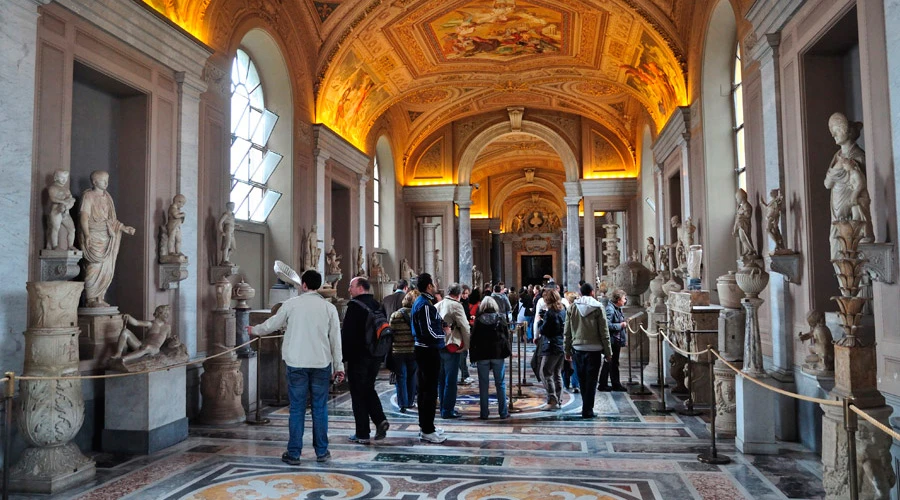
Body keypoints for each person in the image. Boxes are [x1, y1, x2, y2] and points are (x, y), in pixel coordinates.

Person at [248, 270, 344, 464]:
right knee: (319, 408)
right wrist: (338, 366)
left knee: (297, 409)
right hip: (321, 363)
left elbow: (271, 325)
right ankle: (322, 452)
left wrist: (254, 330)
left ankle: (294, 453)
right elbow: (335, 340)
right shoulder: (329, 308)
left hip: (296, 364)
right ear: (318, 286)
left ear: (304, 285)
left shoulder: (291, 305)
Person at [342, 277, 390, 445]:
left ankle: (362, 433)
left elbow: (347, 335)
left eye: (351, 286)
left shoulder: (354, 307)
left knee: (357, 393)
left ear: (360, 288)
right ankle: (380, 419)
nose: (349, 289)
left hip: (359, 356)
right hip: (376, 356)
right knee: (368, 388)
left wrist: (343, 359)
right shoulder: (377, 304)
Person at [79, 170, 136, 307]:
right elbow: (84, 217)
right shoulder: (88, 196)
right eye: (103, 180)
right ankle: (90, 299)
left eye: (107, 180)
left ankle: (100, 297)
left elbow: (111, 220)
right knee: (93, 267)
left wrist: (124, 228)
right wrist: (86, 234)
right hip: (94, 235)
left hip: (107, 236)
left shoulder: (108, 197)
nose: (106, 183)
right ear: (94, 182)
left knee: (106, 267)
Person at [410, 272, 450, 443]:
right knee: (429, 392)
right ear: (428, 286)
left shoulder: (425, 303)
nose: (435, 287)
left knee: (427, 391)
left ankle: (428, 426)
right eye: (433, 284)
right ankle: (427, 429)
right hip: (427, 351)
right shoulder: (424, 305)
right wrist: (444, 334)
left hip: (425, 350)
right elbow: (429, 332)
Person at [565, 283, 613, 418]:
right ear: (592, 292)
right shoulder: (598, 307)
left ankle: (585, 407)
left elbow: (567, 331)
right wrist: (608, 352)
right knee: (592, 380)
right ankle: (588, 409)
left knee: (582, 380)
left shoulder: (573, 307)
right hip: (595, 349)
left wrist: (567, 350)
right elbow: (604, 331)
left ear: (580, 293)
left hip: (578, 347)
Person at [469, 296, 511, 419]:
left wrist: (473, 356)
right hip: (497, 354)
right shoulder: (500, 318)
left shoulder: (479, 319)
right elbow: (506, 336)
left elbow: (474, 339)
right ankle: (503, 412)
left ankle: (484, 413)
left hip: (482, 355)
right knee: (500, 383)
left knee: (483, 385)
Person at [435, 283, 470, 418]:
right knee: (451, 380)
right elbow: (465, 327)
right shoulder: (456, 305)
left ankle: (443, 407)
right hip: (451, 345)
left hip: (439, 345)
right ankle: (448, 410)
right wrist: (466, 346)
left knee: (441, 379)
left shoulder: (437, 305)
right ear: (459, 294)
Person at [389, 290, 419, 413]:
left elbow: (391, 332)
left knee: (401, 377)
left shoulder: (395, 315)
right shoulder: (416, 315)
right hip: (413, 350)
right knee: (412, 376)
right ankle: (411, 401)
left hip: (398, 351)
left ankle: (402, 403)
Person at [537, 289, 566, 409]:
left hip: (551, 345)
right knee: (557, 373)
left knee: (545, 372)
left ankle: (552, 399)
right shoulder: (562, 309)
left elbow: (545, 330)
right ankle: (559, 399)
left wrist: (540, 322)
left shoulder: (550, 313)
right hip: (561, 344)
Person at [600, 289, 628, 392]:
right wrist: (620, 325)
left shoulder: (617, 308)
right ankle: (608, 384)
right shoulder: (610, 309)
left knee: (612, 363)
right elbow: (607, 325)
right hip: (612, 341)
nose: (625, 300)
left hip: (616, 340)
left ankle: (611, 383)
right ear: (619, 299)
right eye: (624, 298)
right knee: (610, 362)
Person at [45, 169, 76, 251]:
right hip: (56, 211)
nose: (64, 180)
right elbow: (53, 198)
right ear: (56, 177)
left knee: (72, 229)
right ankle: (55, 246)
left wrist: (70, 203)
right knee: (55, 228)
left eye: (66, 178)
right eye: (62, 178)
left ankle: (70, 246)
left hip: (66, 212)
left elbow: (70, 199)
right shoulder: (53, 188)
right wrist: (64, 201)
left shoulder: (66, 189)